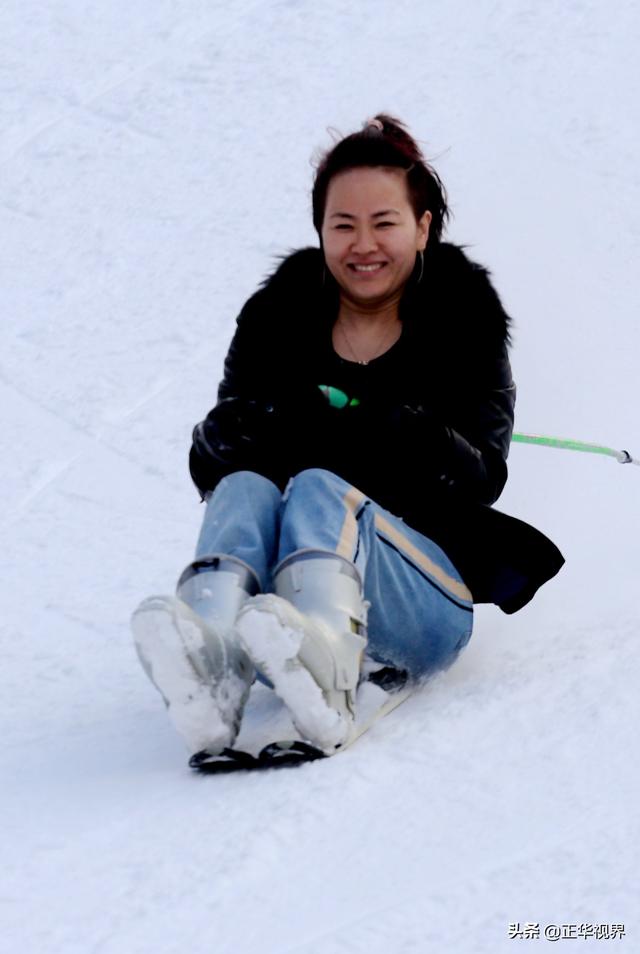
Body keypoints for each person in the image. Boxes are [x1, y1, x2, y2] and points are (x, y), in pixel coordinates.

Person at [131, 114, 564, 757]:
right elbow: (214, 467)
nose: (363, 244)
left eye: (384, 223)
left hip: (424, 602)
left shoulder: (464, 322)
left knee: (317, 488)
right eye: (344, 225)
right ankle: (215, 660)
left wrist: (396, 423)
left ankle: (330, 656)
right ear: (321, 232)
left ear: (422, 228)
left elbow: (482, 478)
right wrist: (231, 434)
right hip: (282, 603)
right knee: (246, 485)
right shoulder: (276, 321)